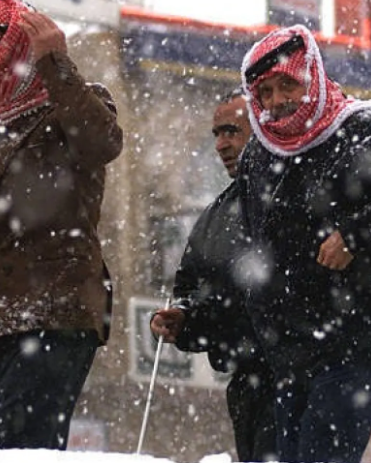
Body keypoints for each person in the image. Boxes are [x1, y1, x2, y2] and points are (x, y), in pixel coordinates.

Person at [236, 24, 371, 463]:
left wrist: (358, 234)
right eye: (265, 92)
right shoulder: (258, 155)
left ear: (313, 77)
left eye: (288, 84)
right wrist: (197, 316)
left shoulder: (368, 129)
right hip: (286, 356)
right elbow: (246, 251)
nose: (277, 101)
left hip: (354, 346)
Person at [0, 0, 123, 450]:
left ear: (17, 54)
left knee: (22, 448)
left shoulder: (67, 103)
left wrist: (54, 62)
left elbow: (103, 142)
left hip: (50, 313)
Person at [150, 88, 277, 462]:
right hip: (247, 382)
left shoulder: (299, 195)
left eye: (232, 131)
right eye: (217, 134)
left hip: (301, 377)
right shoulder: (215, 218)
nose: (221, 145)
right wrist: (183, 318)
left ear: (264, 128)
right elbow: (191, 290)